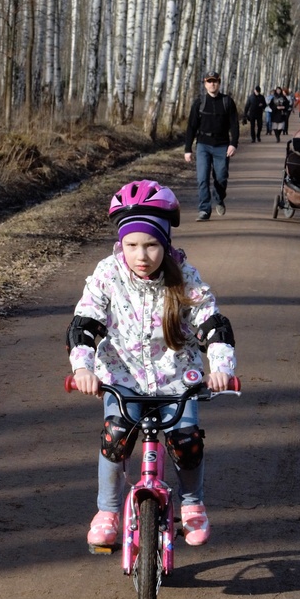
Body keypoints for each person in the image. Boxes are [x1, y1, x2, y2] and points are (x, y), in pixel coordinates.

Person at [67, 179, 238, 550]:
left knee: (187, 441)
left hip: (178, 379)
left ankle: (193, 504)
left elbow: (213, 324)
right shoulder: (108, 276)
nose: (141, 255)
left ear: (166, 243)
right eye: (131, 245)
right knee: (115, 437)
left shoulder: (185, 279)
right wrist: (83, 368)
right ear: (120, 244)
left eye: (151, 245)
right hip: (123, 376)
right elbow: (85, 324)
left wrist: (220, 367)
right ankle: (108, 511)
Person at [183, 70, 239, 219]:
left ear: (219, 83)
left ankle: (219, 198)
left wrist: (233, 144)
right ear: (205, 84)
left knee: (221, 177)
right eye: (209, 81)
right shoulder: (199, 103)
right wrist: (188, 149)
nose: (212, 84)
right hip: (203, 145)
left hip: (222, 146)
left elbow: (234, 125)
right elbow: (191, 127)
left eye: (215, 81)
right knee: (202, 178)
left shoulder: (227, 102)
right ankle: (204, 209)